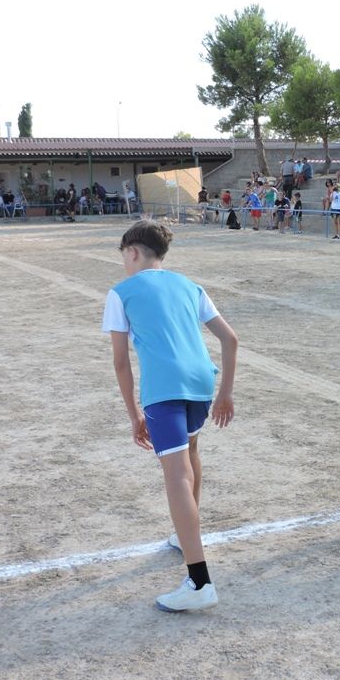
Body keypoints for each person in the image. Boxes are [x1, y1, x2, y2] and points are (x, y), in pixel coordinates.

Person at [102, 220, 238, 611]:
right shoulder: (189, 285)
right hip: (200, 382)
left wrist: (134, 415)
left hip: (163, 388)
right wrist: (225, 394)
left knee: (176, 471)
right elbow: (230, 339)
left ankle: (199, 582)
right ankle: (185, 536)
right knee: (191, 453)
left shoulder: (121, 292)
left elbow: (120, 363)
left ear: (132, 252)